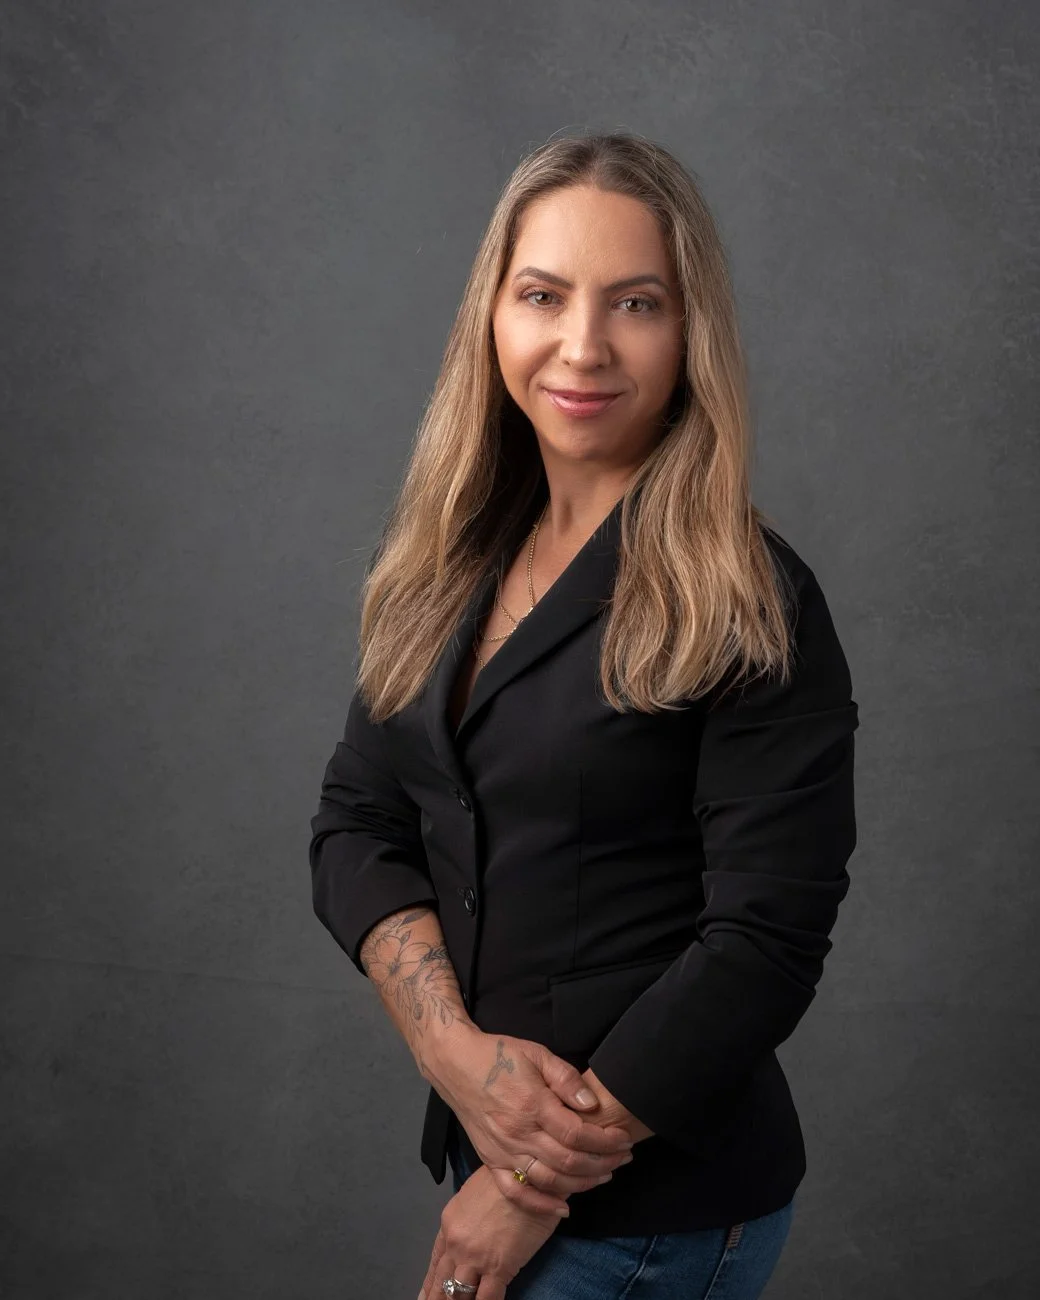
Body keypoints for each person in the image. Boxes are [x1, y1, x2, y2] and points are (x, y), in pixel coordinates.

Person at [308, 130, 859, 1300]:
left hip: (650, 1215)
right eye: (543, 294)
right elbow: (355, 821)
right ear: (491, 315)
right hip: (487, 1155)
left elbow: (763, 940)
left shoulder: (749, 595)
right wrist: (455, 1060)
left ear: (687, 331)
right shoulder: (445, 560)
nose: (582, 345)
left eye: (636, 302)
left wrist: (523, 1184)